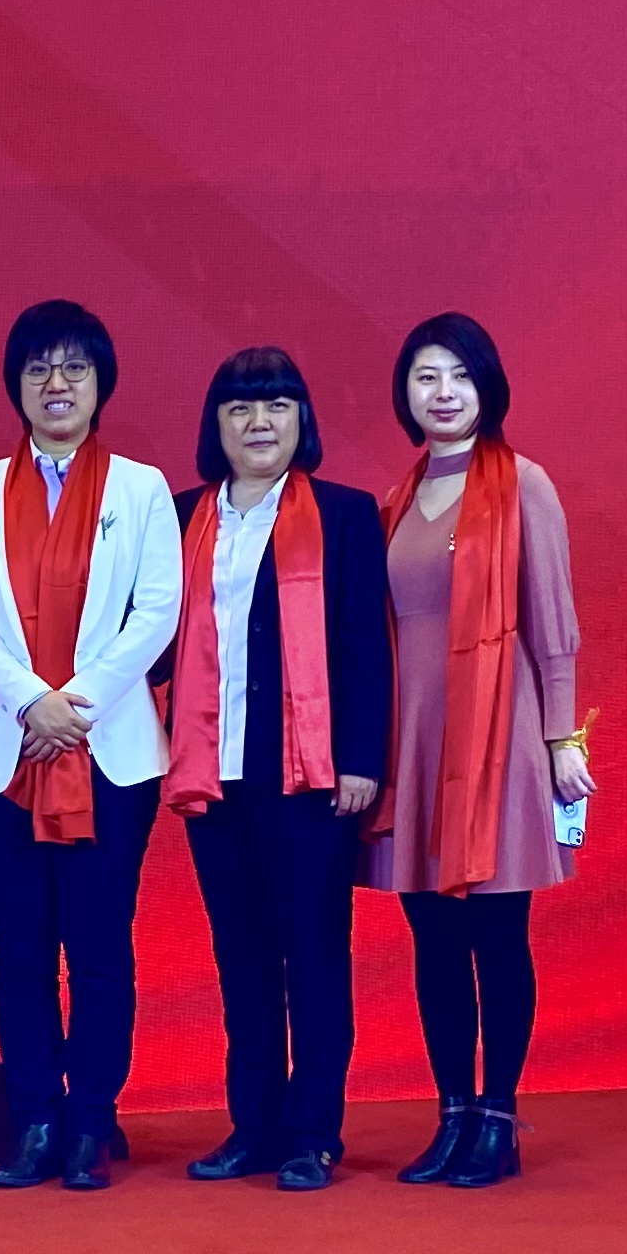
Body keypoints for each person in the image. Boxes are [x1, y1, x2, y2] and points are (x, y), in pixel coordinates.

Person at [0, 300, 183, 1192]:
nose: (56, 383)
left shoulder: (140, 489)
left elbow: (156, 611)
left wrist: (71, 706)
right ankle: (36, 1117)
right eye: (39, 367)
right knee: (18, 948)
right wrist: (28, 703)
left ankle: (92, 1120)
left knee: (99, 945)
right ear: (15, 384)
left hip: (107, 753)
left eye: (74, 367)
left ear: (99, 383)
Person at [360, 312, 591, 1189]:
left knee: (496, 931)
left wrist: (561, 737)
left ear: (486, 385)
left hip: (499, 733)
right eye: (425, 376)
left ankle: (498, 1117)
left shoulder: (523, 483)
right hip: (415, 742)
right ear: (404, 393)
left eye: (459, 375)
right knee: (432, 937)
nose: (443, 392)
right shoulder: (394, 499)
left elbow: (552, 619)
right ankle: (451, 1112)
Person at [160, 348, 392, 1191]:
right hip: (211, 772)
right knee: (242, 960)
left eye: (277, 405)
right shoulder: (180, 517)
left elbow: (366, 642)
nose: (258, 422)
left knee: (314, 955)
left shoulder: (345, 514)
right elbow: (154, 639)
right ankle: (252, 1125)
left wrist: (362, 757)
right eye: (240, 407)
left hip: (311, 775)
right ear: (214, 424)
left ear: (302, 420)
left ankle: (312, 1133)